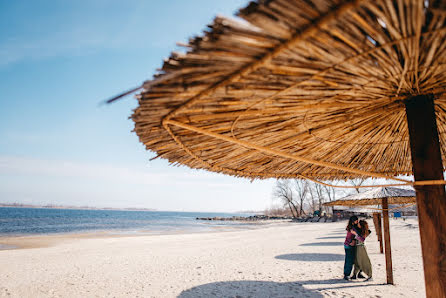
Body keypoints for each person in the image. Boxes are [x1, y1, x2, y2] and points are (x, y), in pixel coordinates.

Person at [343, 215, 359, 280]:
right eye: (356, 220)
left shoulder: (352, 227)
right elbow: (355, 235)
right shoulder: (352, 228)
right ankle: (346, 274)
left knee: (352, 259)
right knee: (349, 260)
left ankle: (350, 273)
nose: (357, 221)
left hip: (349, 244)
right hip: (349, 245)